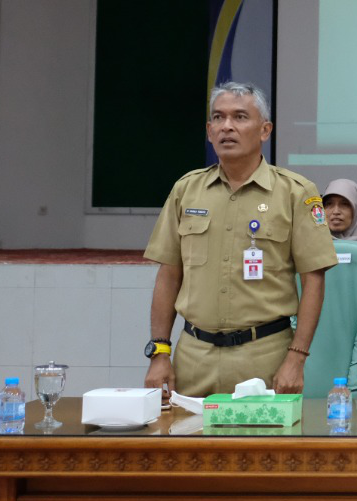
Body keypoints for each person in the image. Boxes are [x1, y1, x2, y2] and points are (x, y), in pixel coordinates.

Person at [142, 82, 338, 399]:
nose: (227, 127)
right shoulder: (186, 189)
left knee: (265, 449)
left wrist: (297, 358)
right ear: (209, 130)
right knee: (188, 447)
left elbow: (313, 280)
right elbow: (168, 274)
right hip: (194, 357)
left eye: (240, 117)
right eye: (218, 118)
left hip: (265, 356)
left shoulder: (295, 192)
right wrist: (159, 352)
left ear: (265, 130)